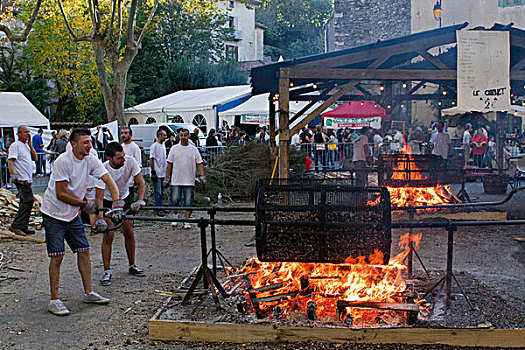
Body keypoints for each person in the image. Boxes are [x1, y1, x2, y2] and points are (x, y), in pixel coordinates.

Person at [40, 128, 121, 316]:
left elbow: (108, 178)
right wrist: (86, 205)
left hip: (72, 214)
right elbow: (61, 193)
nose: (89, 145)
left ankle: (89, 292)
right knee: (57, 256)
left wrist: (117, 203)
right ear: (73, 144)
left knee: (83, 251)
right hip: (54, 213)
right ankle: (54, 300)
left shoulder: (90, 159)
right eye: (85, 142)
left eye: (90, 142)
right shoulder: (63, 161)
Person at [95, 142, 146, 286]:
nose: (123, 160)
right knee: (109, 234)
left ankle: (132, 265)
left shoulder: (130, 161)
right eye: (119, 158)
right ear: (110, 159)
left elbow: (141, 183)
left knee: (128, 231)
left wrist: (140, 201)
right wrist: (100, 218)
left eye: (123, 156)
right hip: (107, 201)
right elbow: (98, 197)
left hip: (124, 198)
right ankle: (107, 271)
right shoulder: (102, 169)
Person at [164, 129, 206, 229]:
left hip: (189, 180)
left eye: (185, 135)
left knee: (188, 201)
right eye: (181, 135)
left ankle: (186, 220)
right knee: (174, 200)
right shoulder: (174, 148)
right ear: (179, 136)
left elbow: (199, 163)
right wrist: (167, 177)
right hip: (176, 179)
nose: (183, 137)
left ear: (189, 136)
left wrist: (202, 176)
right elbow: (169, 163)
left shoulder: (194, 149)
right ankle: (175, 215)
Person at [8, 126, 37, 236]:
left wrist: (30, 145)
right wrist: (14, 174)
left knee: (25, 202)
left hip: (27, 177)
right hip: (21, 178)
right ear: (19, 134)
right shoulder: (15, 146)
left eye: (29, 132)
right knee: (28, 201)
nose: (28, 134)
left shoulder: (25, 146)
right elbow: (10, 161)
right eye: (25, 132)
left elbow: (35, 158)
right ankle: (17, 225)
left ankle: (23, 225)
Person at [121, 127, 142, 201]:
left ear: (130, 135)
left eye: (125, 133)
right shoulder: (120, 147)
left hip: (130, 182)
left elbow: (138, 165)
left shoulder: (135, 148)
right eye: (122, 133)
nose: (123, 135)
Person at [149, 128, 167, 216]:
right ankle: (158, 208)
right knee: (158, 192)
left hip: (163, 172)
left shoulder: (162, 146)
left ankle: (161, 207)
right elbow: (151, 159)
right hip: (157, 172)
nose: (166, 137)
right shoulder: (154, 146)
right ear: (160, 135)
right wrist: (153, 171)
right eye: (164, 135)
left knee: (162, 191)